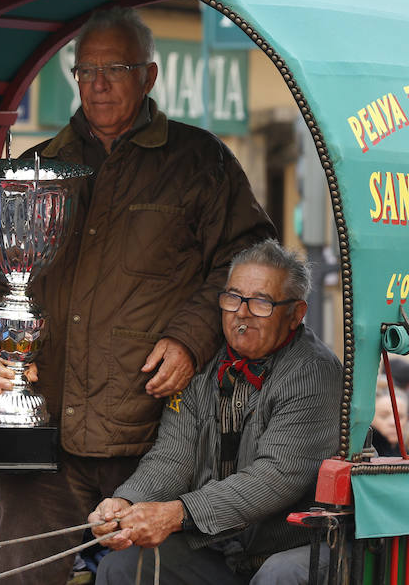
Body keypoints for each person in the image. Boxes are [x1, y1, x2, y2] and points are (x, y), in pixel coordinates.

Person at [0, 7, 275, 583]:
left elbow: (248, 266)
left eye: (117, 68)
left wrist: (190, 338)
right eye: (87, 70)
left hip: (153, 432)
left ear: (150, 76)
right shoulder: (36, 169)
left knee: (141, 576)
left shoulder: (199, 162)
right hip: (44, 437)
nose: (100, 83)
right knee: (21, 576)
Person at [86, 240, 341, 584]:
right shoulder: (206, 363)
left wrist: (178, 514)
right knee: (123, 568)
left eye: (261, 302)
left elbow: (275, 477)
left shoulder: (314, 371)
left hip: (298, 546)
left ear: (296, 314)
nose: (242, 312)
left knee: (278, 575)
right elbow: (172, 458)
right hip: (227, 549)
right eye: (233, 298)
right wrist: (126, 502)